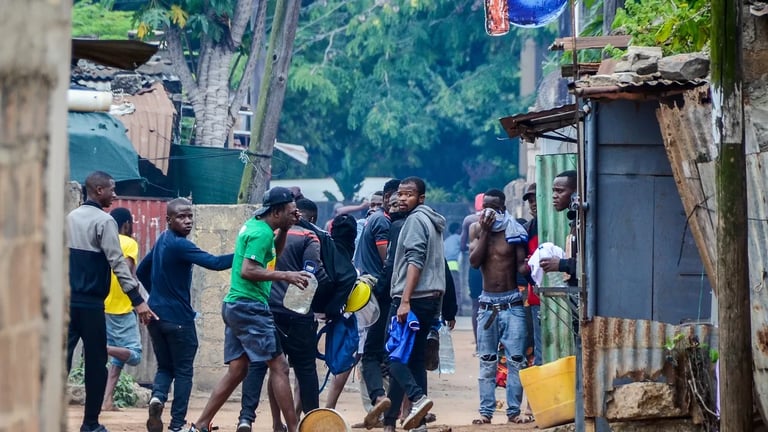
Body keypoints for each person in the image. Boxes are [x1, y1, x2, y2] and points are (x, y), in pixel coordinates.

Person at [187, 187, 309, 432]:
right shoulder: (260, 233)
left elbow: (273, 253)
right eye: (290, 211)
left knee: (238, 369)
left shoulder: (259, 227)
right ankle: (293, 429)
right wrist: (286, 275)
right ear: (276, 211)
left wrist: (285, 229)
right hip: (249, 307)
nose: (295, 214)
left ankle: (200, 425)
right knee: (280, 367)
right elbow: (249, 270)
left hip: (236, 306)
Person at [67, 171, 156, 432]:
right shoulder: (105, 222)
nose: (114, 195)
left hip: (67, 304)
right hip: (93, 306)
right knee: (96, 366)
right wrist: (138, 300)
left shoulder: (69, 218)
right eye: (111, 189)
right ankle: (91, 423)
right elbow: (119, 265)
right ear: (97, 189)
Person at [138, 198, 234, 432]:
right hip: (179, 319)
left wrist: (158, 297)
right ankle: (176, 424)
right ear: (168, 219)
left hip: (156, 316)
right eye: (181, 217)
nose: (188, 221)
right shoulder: (180, 244)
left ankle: (157, 398)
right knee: (183, 371)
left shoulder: (162, 238)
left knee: (165, 367)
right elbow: (216, 263)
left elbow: (141, 270)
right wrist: (245, 250)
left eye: (190, 216)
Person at [236, 198, 331, 432]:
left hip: (268, 311)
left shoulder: (270, 235)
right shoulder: (310, 238)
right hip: (298, 315)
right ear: (313, 218)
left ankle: (249, 418)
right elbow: (312, 274)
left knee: (264, 366)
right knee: (305, 369)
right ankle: (312, 422)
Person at [383, 176, 448, 432]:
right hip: (430, 299)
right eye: (400, 194)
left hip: (412, 299)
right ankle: (410, 423)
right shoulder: (432, 221)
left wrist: (405, 300)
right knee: (414, 360)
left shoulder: (415, 221)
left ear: (421, 198)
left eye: (408, 194)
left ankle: (418, 398)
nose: (401, 198)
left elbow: (415, 261)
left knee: (393, 358)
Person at [468, 188, 532, 425]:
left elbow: (521, 267)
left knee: (516, 360)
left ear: (502, 209)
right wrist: (485, 231)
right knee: (487, 361)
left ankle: (513, 412)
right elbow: (475, 262)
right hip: (487, 304)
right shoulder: (476, 229)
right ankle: (485, 413)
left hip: (512, 302)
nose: (488, 211)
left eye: (493, 207)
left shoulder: (514, 230)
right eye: (485, 206)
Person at [358, 179, 401, 429]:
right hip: (380, 293)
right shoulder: (383, 222)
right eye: (396, 199)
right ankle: (386, 402)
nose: (399, 203)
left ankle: (383, 403)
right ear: (386, 199)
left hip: (374, 292)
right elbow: (389, 264)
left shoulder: (377, 220)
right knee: (381, 352)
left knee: (377, 352)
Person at [102, 207, 143, 412]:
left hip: (102, 306)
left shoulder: (102, 241)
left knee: (118, 360)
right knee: (134, 355)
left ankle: (107, 400)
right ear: (126, 224)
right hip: (122, 306)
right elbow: (126, 272)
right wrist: (139, 301)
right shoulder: (129, 243)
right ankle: (103, 348)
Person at [522, 183, 542, 366]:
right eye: (530, 200)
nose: (533, 204)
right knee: (539, 348)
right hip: (536, 296)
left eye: (536, 198)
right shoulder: (528, 229)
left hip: (559, 294)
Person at [460, 194, 483, 344]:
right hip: (495, 266)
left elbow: (462, 246)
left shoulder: (469, 221)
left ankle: (477, 343)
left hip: (475, 267)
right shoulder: (499, 218)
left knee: (476, 304)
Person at [443, 222, 462, 315]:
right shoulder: (458, 238)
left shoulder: (446, 240)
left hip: (445, 267)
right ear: (457, 230)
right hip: (454, 265)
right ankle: (458, 310)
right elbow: (464, 247)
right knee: (456, 290)